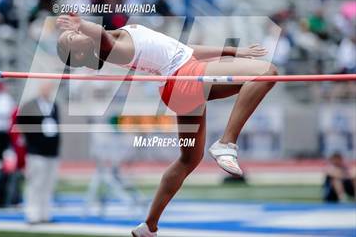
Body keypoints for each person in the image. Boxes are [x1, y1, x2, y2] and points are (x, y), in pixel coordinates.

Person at [55, 14, 276, 237]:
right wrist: (80, 23)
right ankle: (226, 143)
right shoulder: (111, 49)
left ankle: (149, 226)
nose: (76, 31)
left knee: (189, 159)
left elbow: (184, 49)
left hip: (179, 81)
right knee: (267, 72)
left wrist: (232, 51)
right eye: (73, 36)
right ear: (82, 53)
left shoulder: (120, 36)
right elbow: (100, 34)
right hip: (183, 77)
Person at [16, 82, 61, 224]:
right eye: (45, 87)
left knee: (48, 185)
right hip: (36, 151)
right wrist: (31, 140)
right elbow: (21, 124)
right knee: (35, 184)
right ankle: (32, 215)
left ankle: (44, 215)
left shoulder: (54, 105)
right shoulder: (30, 106)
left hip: (52, 152)